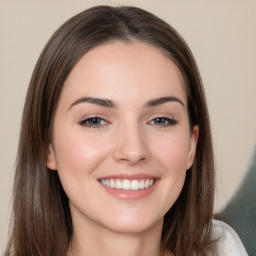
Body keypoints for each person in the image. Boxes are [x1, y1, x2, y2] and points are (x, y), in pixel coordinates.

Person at [4, 5, 248, 256]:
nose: (133, 151)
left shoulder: (224, 249)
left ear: (191, 145)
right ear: (48, 146)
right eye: (95, 121)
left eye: (161, 120)